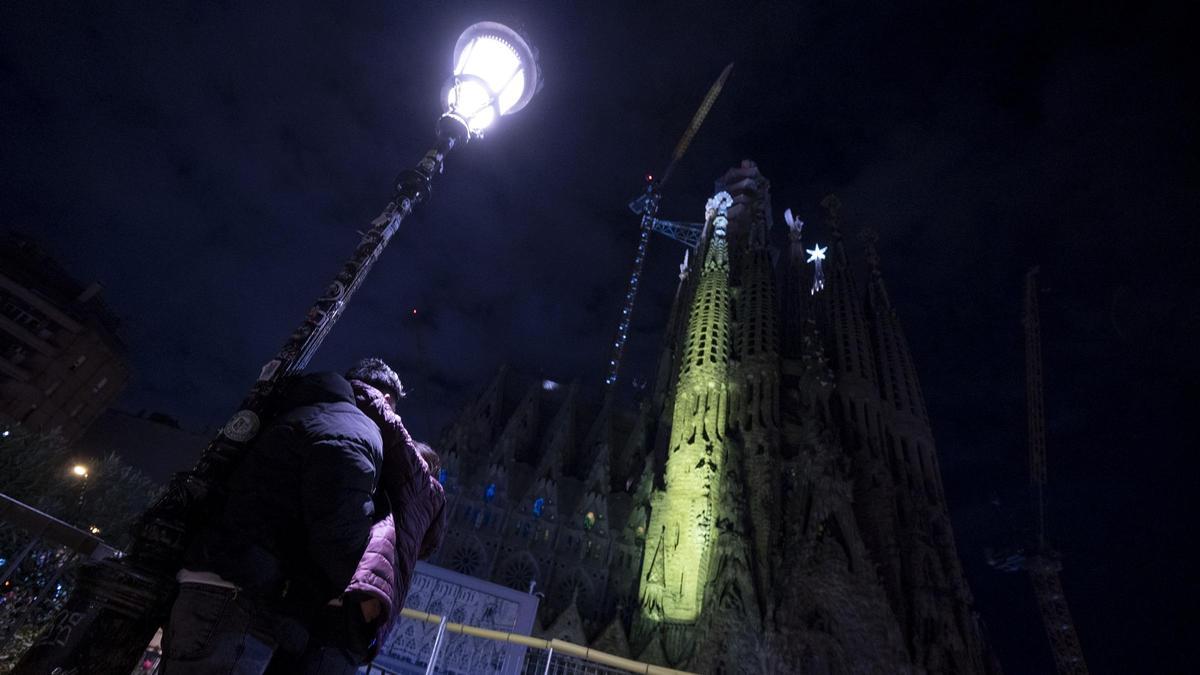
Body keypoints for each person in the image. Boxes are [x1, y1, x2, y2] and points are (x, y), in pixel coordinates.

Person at [160, 358, 405, 673]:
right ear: (385, 401)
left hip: (213, 579)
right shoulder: (354, 428)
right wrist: (361, 595)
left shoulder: (304, 410)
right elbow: (339, 531)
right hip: (242, 597)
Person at [290, 380, 447, 672]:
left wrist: (368, 393)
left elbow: (394, 433)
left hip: (351, 607)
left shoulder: (418, 480)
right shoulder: (416, 511)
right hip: (367, 621)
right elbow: (430, 544)